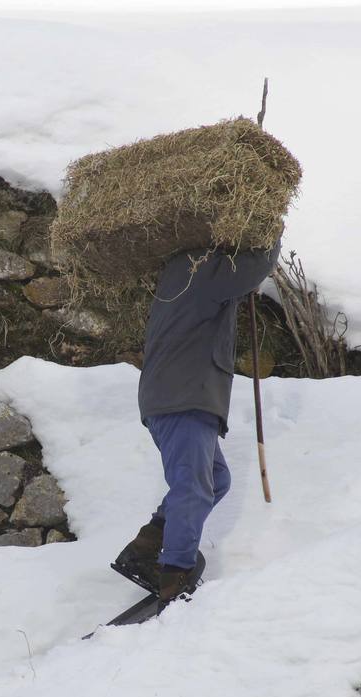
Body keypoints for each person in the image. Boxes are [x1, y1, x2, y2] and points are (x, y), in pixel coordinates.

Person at [113, 238, 281, 605]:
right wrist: (271, 237)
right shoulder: (199, 267)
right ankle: (175, 575)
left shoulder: (185, 271)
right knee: (193, 487)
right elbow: (253, 269)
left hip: (180, 395)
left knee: (216, 479)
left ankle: (150, 542)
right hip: (183, 397)